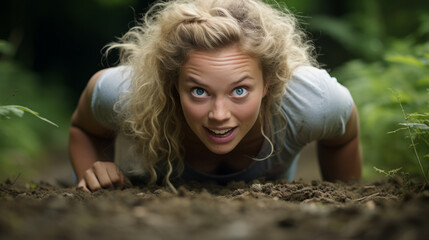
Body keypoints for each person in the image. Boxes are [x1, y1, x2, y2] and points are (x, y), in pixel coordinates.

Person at [69, 0, 362, 193]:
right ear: (172, 83)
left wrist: (342, 195)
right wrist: (94, 172)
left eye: (239, 91)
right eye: (199, 91)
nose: (219, 114)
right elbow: (84, 128)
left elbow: (344, 133)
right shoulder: (129, 95)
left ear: (268, 83)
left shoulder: (312, 101)